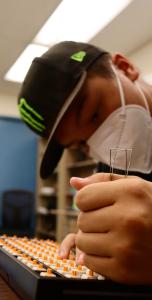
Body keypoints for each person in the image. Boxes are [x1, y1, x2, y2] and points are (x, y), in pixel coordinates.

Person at [18, 41, 152, 284]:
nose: (100, 142)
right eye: (81, 144)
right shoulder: (110, 168)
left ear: (125, 67)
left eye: (94, 114)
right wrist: (98, 244)